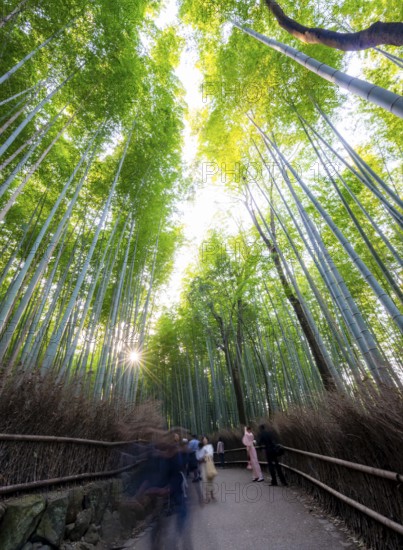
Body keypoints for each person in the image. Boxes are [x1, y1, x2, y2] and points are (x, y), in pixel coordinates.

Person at [196, 435, 217, 503]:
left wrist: (204, 455)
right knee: (205, 480)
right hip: (203, 465)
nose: (204, 440)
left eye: (205, 439)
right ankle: (207, 497)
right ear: (202, 441)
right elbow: (198, 457)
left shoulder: (210, 446)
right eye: (203, 439)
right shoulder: (200, 448)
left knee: (210, 479)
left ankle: (212, 495)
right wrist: (204, 455)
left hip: (209, 464)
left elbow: (211, 455)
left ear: (207, 440)